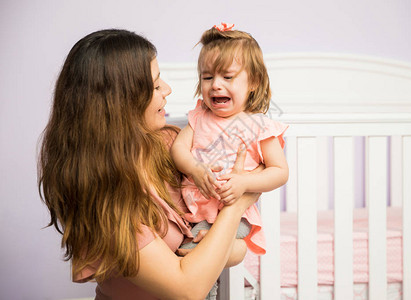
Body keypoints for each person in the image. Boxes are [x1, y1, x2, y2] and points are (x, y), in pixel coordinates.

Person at [38, 28, 261, 300]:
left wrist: (217, 245)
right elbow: (187, 288)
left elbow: (236, 247)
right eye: (155, 86)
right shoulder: (104, 197)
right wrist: (236, 204)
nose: (167, 89)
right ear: (121, 102)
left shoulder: (169, 145)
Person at [171, 23, 289, 257]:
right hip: (194, 214)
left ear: (253, 82)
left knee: (193, 257)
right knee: (190, 259)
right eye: (207, 77)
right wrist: (195, 169)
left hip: (236, 216)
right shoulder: (199, 117)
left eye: (227, 76)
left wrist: (244, 183)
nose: (215, 85)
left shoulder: (259, 126)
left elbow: (280, 171)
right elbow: (178, 148)